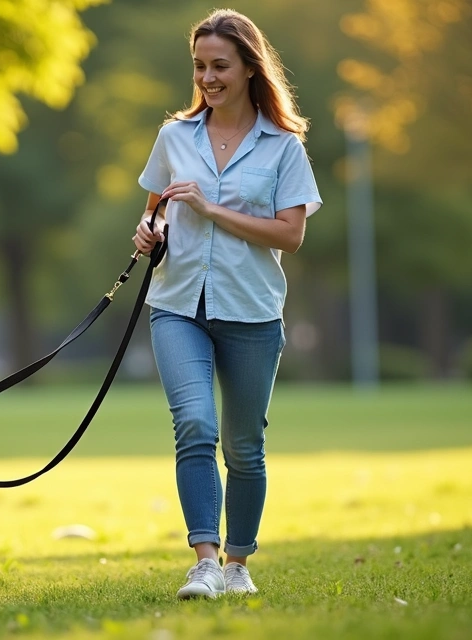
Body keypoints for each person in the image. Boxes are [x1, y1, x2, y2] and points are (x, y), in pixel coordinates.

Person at [132, 8, 322, 600]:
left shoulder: (283, 147)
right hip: (178, 304)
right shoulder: (173, 138)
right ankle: (204, 561)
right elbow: (151, 210)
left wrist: (214, 212)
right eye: (199, 67)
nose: (207, 78)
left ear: (248, 69)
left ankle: (238, 563)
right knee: (194, 424)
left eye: (219, 66)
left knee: (244, 445)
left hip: (251, 311)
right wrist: (145, 234)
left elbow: (290, 233)